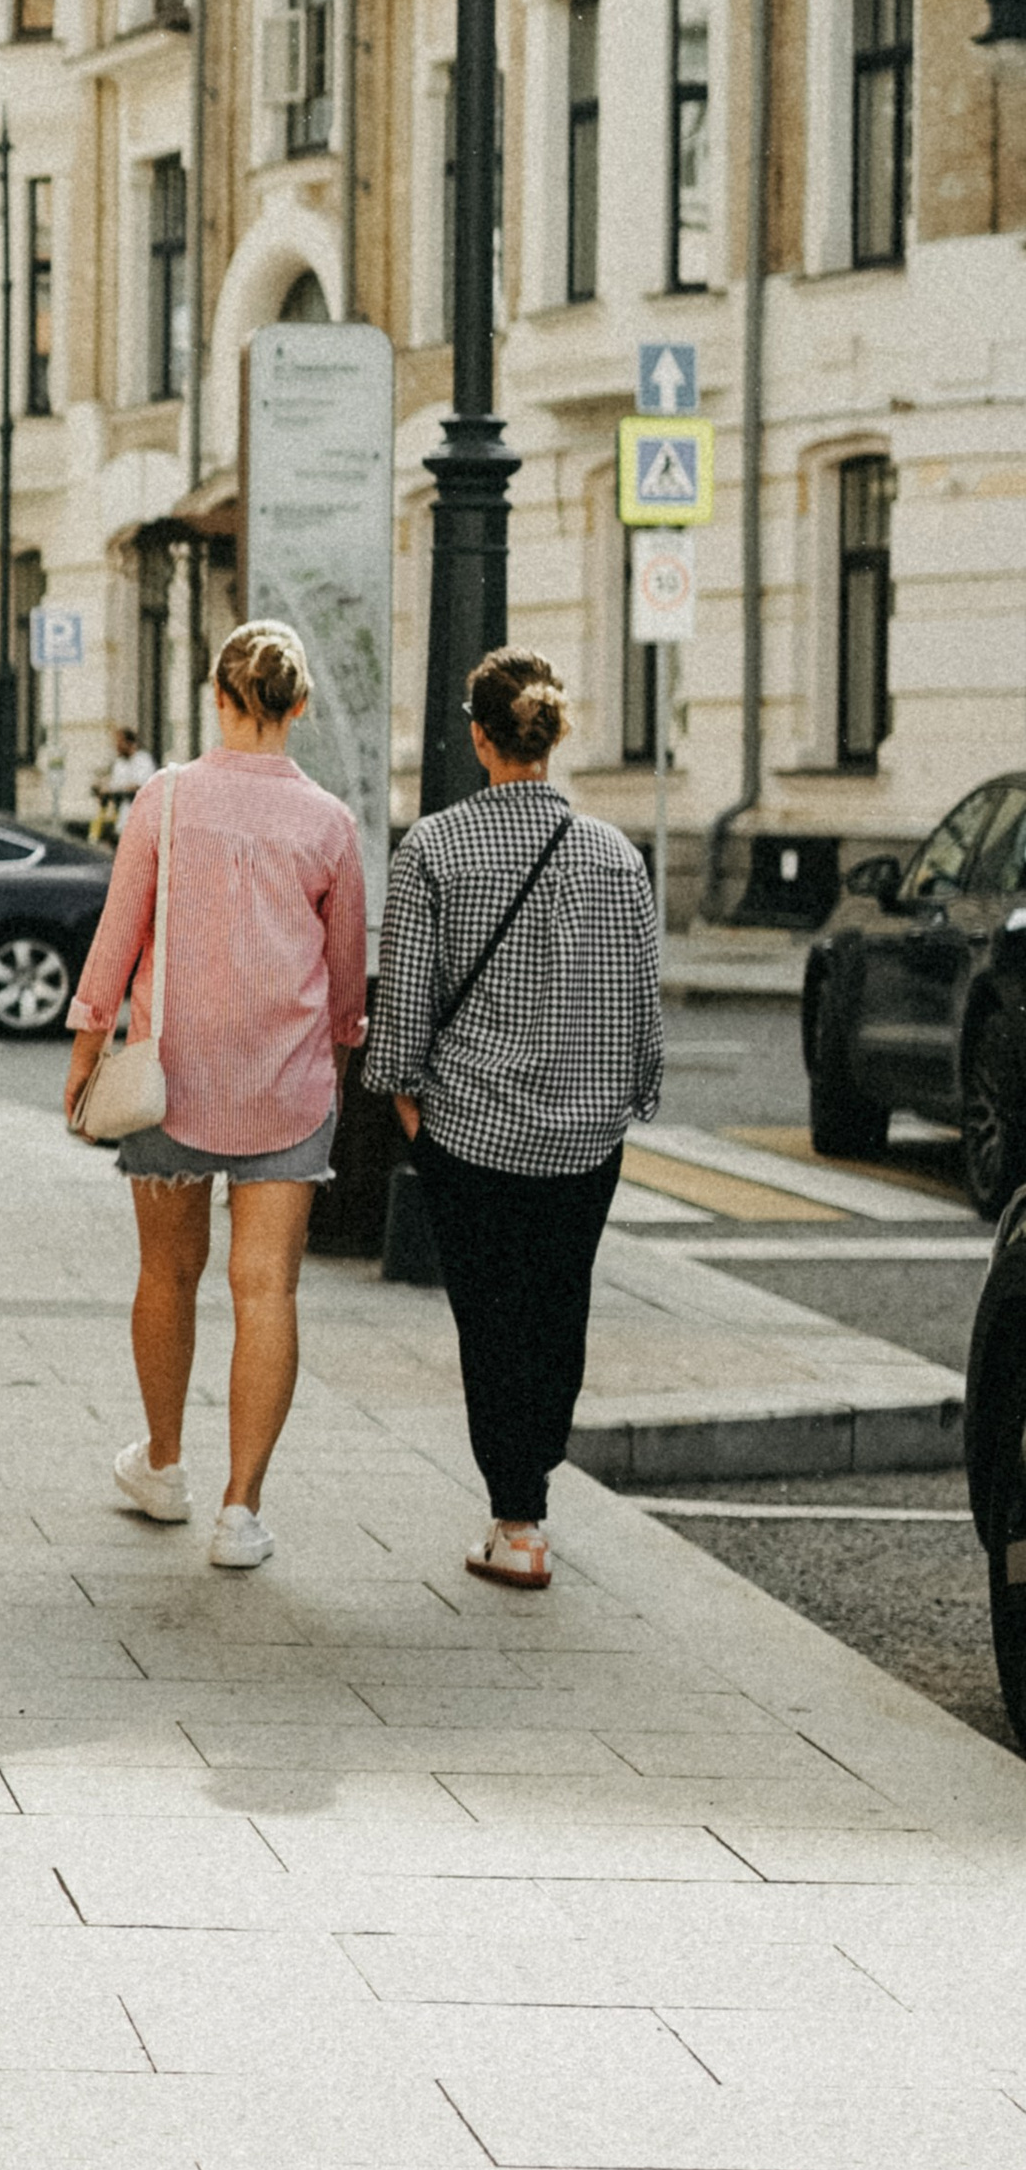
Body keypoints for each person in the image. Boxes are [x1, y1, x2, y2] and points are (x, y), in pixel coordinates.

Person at [62, 621, 367, 1571]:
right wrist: (342, 1056)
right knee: (266, 1286)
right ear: (300, 708)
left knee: (168, 1275)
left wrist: (84, 1050)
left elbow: (117, 938)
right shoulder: (330, 822)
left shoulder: (166, 799)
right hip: (287, 1085)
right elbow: (348, 973)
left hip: (169, 1082)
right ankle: (242, 1510)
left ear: (218, 699)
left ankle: (162, 1467)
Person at [364, 646, 662, 1591]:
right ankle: (535, 1475)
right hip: (585, 1139)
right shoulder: (618, 854)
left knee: (489, 1322)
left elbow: (405, 1008)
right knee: (558, 1307)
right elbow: (640, 1008)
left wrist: (409, 1107)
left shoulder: (434, 848)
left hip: (475, 1135)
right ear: (553, 736)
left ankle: (518, 1516)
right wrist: (624, 1104)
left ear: (477, 736)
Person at [93, 721, 157, 839]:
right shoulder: (120, 763)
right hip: (123, 822)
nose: (116, 746)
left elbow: (139, 787)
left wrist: (114, 790)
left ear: (129, 742)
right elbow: (114, 785)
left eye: (119, 742)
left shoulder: (143, 760)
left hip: (142, 823)